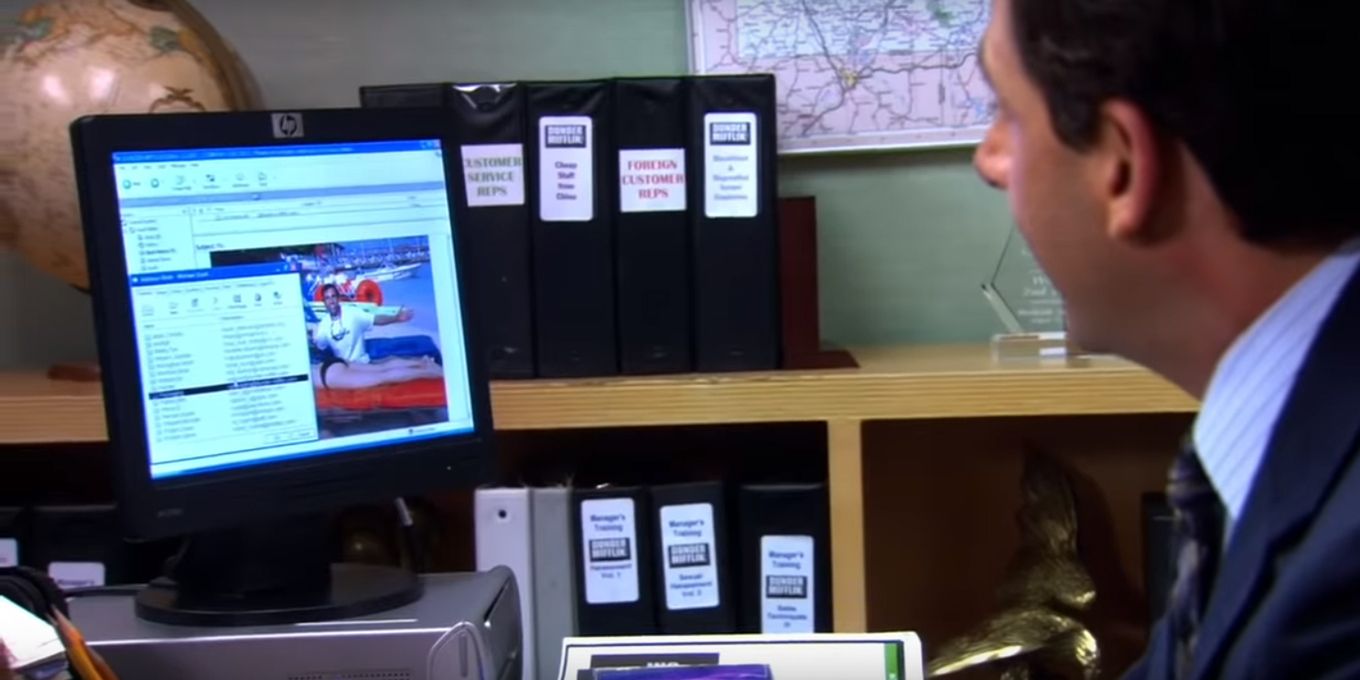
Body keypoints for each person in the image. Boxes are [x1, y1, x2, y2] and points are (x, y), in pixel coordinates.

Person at [972, 0, 1359, 678]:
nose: (989, 161)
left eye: (1007, 111)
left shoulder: (1339, 591)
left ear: (1123, 166)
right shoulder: (1294, 437)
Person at [312, 283, 414, 364]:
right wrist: (312, 338)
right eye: (327, 298)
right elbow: (320, 347)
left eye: (333, 296)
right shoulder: (323, 325)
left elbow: (375, 319)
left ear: (338, 298)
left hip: (362, 363)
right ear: (324, 302)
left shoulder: (352, 313)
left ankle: (421, 363)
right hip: (344, 368)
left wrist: (396, 318)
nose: (331, 301)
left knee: (389, 362)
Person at [312, 354, 443, 391]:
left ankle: (428, 371)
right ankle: (422, 362)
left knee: (383, 377)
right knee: (382, 367)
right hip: (327, 364)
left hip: (329, 377)